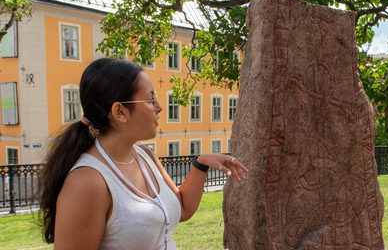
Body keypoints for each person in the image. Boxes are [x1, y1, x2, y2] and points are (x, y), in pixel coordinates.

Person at [38, 58, 248, 250]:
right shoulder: (87, 181)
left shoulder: (144, 156)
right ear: (120, 112)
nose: (159, 107)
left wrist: (201, 163)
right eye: (150, 99)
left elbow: (180, 208)